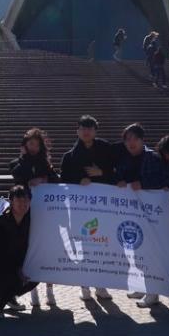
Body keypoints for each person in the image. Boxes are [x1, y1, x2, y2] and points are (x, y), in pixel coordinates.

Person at [114, 123, 169, 307]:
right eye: (127, 139)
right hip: (131, 213)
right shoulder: (124, 159)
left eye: (135, 138)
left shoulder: (153, 157)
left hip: (151, 215)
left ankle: (153, 292)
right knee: (136, 252)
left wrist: (143, 184)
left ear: (142, 139)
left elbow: (165, 181)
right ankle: (143, 286)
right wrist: (119, 181)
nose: (131, 142)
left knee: (150, 252)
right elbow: (118, 176)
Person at [60, 115, 115, 301]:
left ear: (95, 131)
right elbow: (64, 182)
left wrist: (102, 172)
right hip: (80, 210)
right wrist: (78, 181)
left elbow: (117, 173)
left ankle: (101, 285)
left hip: (104, 209)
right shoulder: (69, 157)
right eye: (83, 128)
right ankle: (84, 285)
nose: (86, 131)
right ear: (77, 131)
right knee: (83, 246)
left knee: (102, 245)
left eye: (89, 128)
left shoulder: (106, 149)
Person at [10, 128, 59, 306]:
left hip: (44, 212)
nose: (34, 147)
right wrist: (23, 159)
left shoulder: (45, 163)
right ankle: (32, 290)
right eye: (30, 143)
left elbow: (56, 179)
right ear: (25, 145)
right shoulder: (17, 163)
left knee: (46, 250)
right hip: (26, 212)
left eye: (37, 144)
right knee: (29, 250)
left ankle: (50, 290)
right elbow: (17, 177)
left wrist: (44, 180)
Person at [0, 185, 39, 319]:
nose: (23, 204)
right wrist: (17, 270)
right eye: (19, 200)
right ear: (11, 202)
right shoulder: (0, 224)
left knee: (35, 276)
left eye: (26, 200)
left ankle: (8, 297)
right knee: (14, 277)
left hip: (11, 266)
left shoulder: (27, 221)